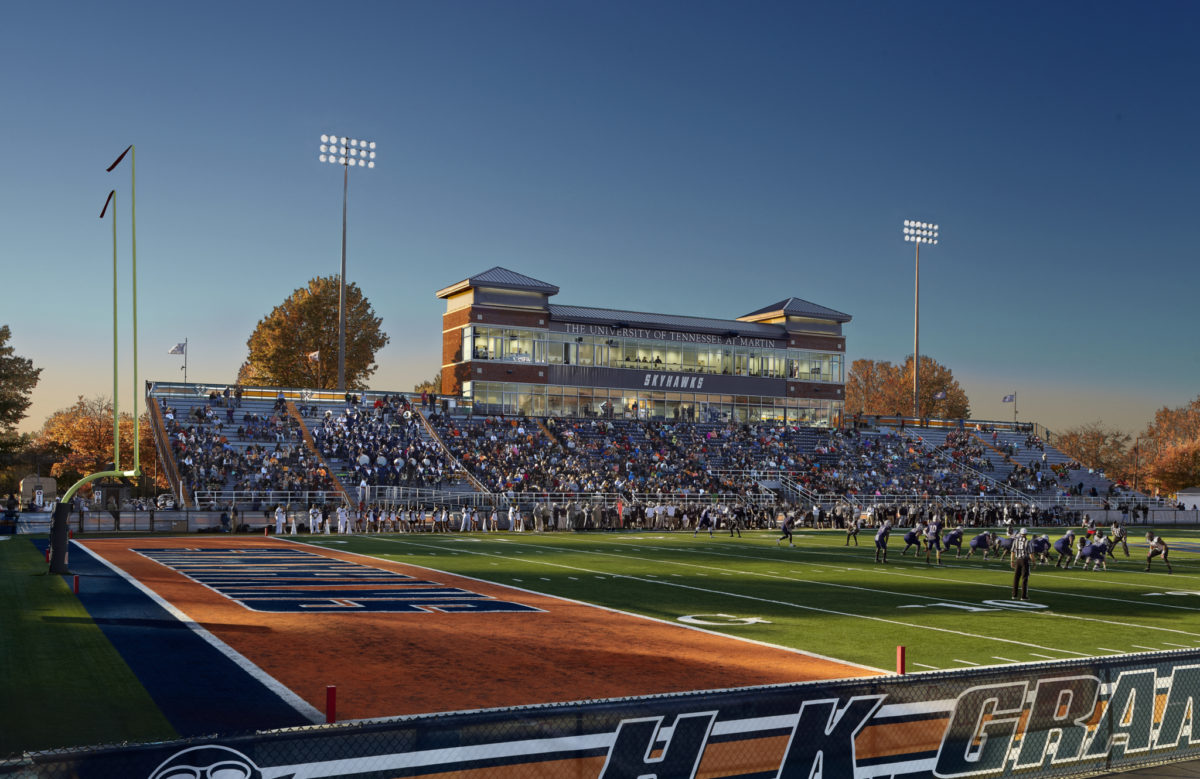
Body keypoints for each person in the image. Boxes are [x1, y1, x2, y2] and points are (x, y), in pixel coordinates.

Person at [1011, 528, 1032, 600]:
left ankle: (1014, 595)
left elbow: (1012, 552)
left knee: (1016, 578)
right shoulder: (1027, 542)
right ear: (1026, 534)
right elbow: (1031, 554)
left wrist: (1012, 561)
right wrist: (1034, 562)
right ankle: (1023, 596)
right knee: (1024, 578)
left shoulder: (1015, 541)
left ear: (1020, 533)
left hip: (1017, 560)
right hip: (1024, 560)